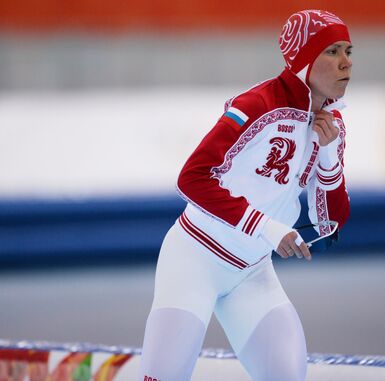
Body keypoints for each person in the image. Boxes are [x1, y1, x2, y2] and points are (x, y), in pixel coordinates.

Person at [139, 9, 352, 381]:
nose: (346, 63)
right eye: (332, 52)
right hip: (194, 262)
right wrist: (269, 228)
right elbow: (192, 177)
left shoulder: (332, 126)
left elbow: (330, 224)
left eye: (349, 51)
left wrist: (329, 153)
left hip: (252, 273)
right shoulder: (257, 105)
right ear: (303, 60)